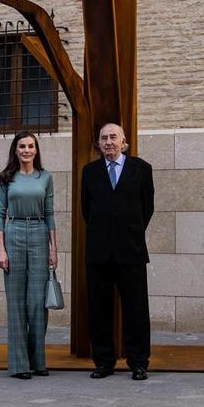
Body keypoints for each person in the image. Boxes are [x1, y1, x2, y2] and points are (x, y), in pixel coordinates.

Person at [81, 122, 155, 380]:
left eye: (113, 137)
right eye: (104, 138)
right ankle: (103, 361)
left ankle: (138, 362)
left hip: (131, 249)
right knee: (99, 308)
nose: (109, 142)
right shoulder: (89, 172)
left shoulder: (141, 169)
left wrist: (130, 231)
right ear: (99, 143)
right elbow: (86, 210)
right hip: (99, 251)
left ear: (123, 142)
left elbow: (147, 208)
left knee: (136, 308)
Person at [0, 132, 58, 379]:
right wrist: (1, 248)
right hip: (14, 232)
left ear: (36, 150)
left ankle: (38, 360)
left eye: (31, 146)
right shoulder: (6, 178)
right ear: (15, 150)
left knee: (37, 303)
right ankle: (20, 364)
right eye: (22, 146)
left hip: (40, 233)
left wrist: (54, 248)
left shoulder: (46, 177)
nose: (26, 150)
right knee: (16, 303)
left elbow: (50, 213)